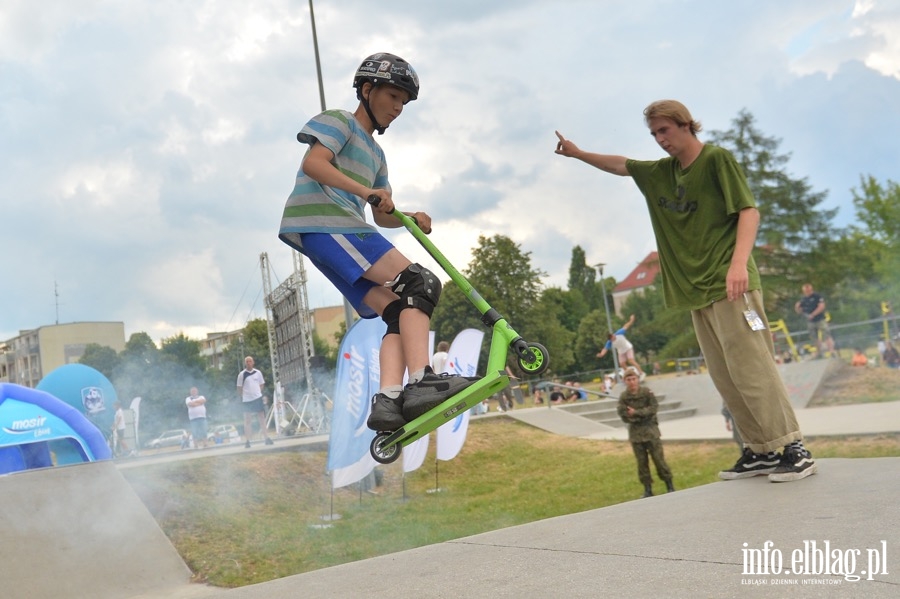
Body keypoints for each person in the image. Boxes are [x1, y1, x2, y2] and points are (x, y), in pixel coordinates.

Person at [555, 99, 816, 483]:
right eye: (655, 133)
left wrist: (739, 263)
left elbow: (749, 211)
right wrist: (578, 154)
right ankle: (760, 449)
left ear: (686, 125)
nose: (661, 139)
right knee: (726, 376)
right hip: (696, 292)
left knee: (753, 368)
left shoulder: (716, 160)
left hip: (731, 285)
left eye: (666, 130)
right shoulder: (662, 173)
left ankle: (794, 448)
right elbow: (622, 165)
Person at [277, 52, 472, 432]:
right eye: (393, 97)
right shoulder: (340, 122)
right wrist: (367, 193)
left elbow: (382, 212)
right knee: (421, 282)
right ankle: (421, 380)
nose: (398, 108)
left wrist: (408, 215)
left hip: (336, 232)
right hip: (326, 221)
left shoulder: (377, 154)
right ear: (368, 89)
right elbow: (314, 164)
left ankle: (389, 400)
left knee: (400, 308)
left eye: (404, 102)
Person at [616, 368, 675, 498]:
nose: (631, 382)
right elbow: (624, 415)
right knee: (642, 463)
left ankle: (669, 485)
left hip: (651, 431)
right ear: (625, 381)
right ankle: (647, 489)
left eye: (633, 379)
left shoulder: (647, 392)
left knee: (659, 460)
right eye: (628, 379)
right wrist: (641, 415)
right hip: (636, 434)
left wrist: (636, 413)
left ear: (638, 379)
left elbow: (653, 409)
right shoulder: (624, 397)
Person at [237, 356, 274, 448]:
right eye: (247, 361)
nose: (248, 363)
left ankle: (266, 438)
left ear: (253, 362)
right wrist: (244, 396)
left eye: (250, 361)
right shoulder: (242, 374)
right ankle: (248, 441)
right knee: (247, 419)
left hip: (257, 398)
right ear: (245, 363)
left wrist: (258, 392)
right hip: (247, 400)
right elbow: (239, 388)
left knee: (261, 418)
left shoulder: (258, 373)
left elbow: (261, 384)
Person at [596, 314, 645, 380]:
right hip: (621, 351)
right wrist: (601, 354)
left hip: (628, 348)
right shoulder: (609, 342)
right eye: (612, 339)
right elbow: (605, 349)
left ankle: (641, 373)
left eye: (613, 337)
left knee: (631, 361)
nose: (613, 339)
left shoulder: (619, 333)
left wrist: (631, 320)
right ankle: (631, 374)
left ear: (613, 335)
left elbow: (626, 326)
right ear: (610, 339)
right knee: (622, 364)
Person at [794, 283, 835, 358]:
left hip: (820, 319)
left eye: (808, 290)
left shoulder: (817, 296)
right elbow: (800, 311)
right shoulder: (803, 299)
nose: (807, 292)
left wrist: (813, 314)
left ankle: (831, 351)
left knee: (826, 334)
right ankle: (819, 352)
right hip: (810, 322)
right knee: (814, 337)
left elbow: (821, 306)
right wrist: (797, 307)